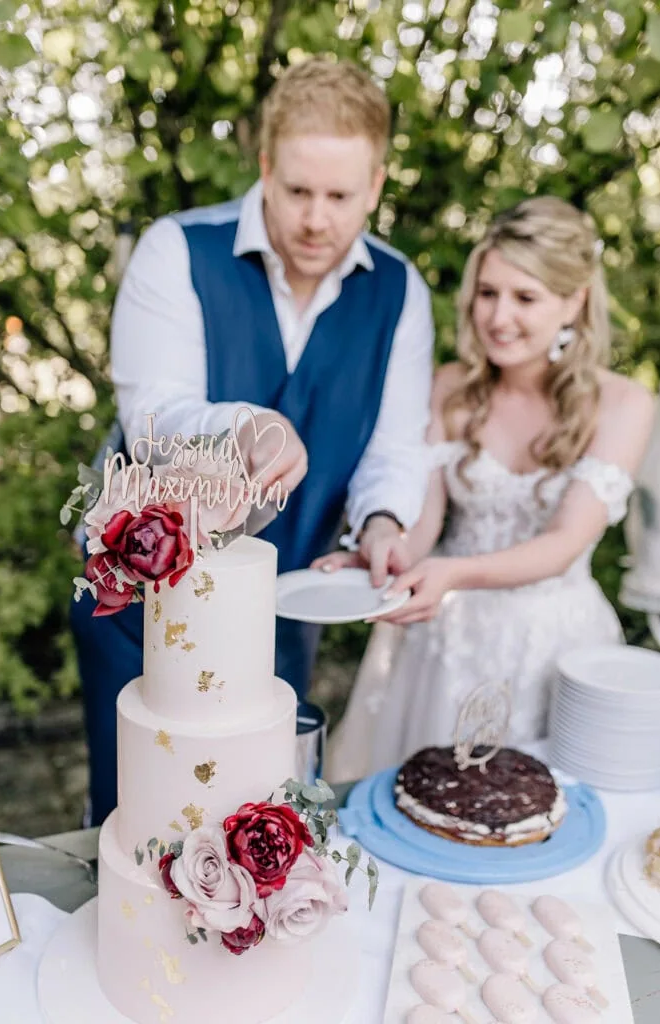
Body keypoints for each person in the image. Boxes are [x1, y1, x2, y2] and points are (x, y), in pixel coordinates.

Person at [70, 57, 434, 825]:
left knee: (256, 819)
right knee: (141, 818)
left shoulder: (400, 294)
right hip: (139, 600)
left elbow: (394, 450)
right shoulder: (176, 251)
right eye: (297, 190)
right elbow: (155, 418)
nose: (316, 219)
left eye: (341, 196)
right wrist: (244, 426)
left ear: (374, 186)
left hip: (283, 598)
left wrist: (381, 525)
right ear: (264, 165)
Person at [317, 196, 655, 783]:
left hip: (554, 645)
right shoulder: (449, 388)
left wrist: (454, 575)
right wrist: (387, 550)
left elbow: (565, 542)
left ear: (574, 300)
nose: (499, 317)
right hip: (444, 645)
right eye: (488, 292)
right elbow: (424, 522)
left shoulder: (622, 404)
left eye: (525, 298)